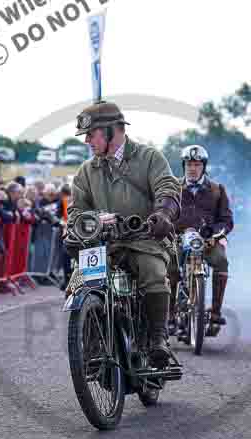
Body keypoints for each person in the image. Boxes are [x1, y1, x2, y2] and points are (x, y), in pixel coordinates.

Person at [66, 100, 181, 368]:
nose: (86, 141)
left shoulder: (149, 158)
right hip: (104, 245)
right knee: (80, 283)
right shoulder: (87, 171)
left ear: (111, 130)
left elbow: (167, 187)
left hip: (146, 240)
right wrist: (91, 221)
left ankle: (158, 339)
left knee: (153, 271)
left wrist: (163, 214)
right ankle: (92, 346)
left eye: (91, 134)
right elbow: (76, 212)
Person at [168, 145, 233, 332]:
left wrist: (214, 233)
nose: (192, 169)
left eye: (197, 165)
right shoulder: (172, 188)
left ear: (204, 167)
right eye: (189, 164)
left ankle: (215, 313)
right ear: (184, 166)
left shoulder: (217, 190)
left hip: (207, 241)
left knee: (221, 261)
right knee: (169, 265)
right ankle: (169, 315)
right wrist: (169, 232)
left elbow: (227, 221)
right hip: (179, 239)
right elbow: (163, 214)